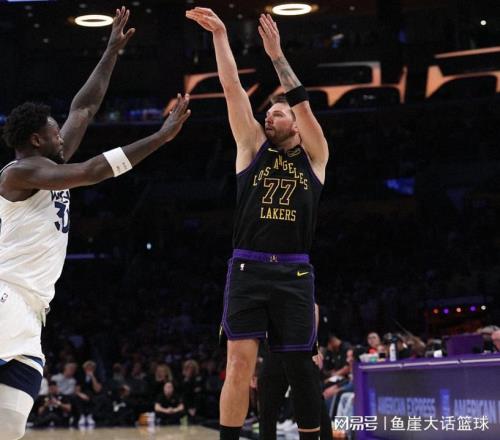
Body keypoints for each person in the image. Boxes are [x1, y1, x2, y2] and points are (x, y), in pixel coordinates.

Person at [0, 8, 191, 439]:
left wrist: (110, 52)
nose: (62, 136)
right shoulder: (20, 173)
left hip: (31, 311)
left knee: (9, 425)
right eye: (55, 132)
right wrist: (160, 138)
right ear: (36, 139)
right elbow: (91, 172)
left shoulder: (49, 163)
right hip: (5, 295)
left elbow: (84, 108)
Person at [186, 8, 329, 440]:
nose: (269, 116)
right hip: (248, 267)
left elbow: (302, 102)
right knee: (238, 364)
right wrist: (221, 36)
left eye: (278, 113)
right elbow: (232, 88)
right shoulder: (251, 147)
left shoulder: (315, 156)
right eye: (268, 112)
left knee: (301, 367)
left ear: (297, 125)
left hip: (294, 271)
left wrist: (276, 55)